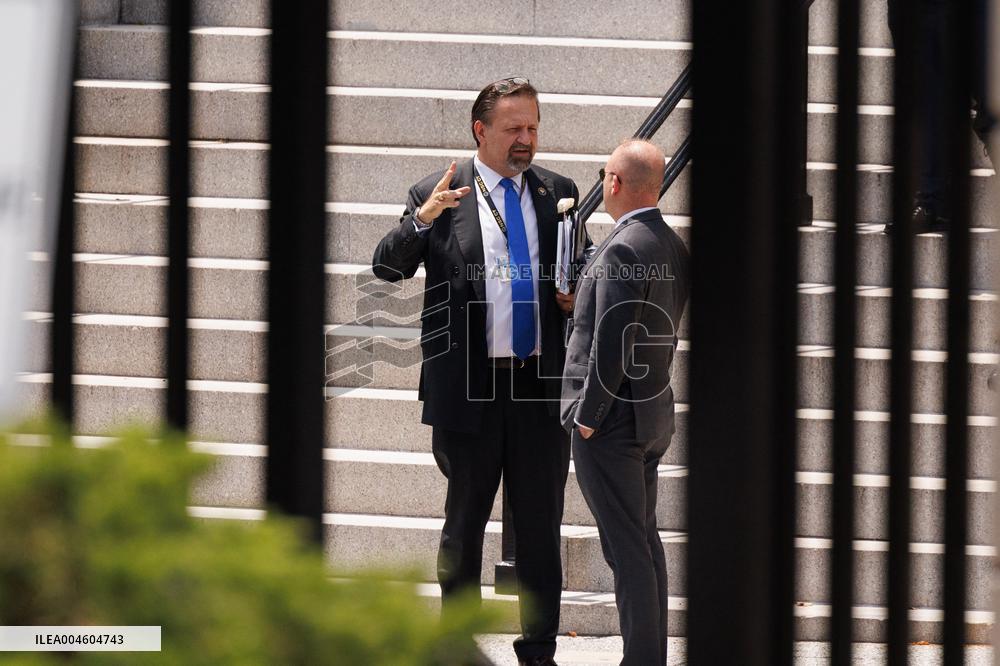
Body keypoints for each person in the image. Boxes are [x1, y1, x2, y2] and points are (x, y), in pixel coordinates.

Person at [372, 77, 590, 666]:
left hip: (537, 387)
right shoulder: (439, 192)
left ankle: (538, 650)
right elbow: (387, 269)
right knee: (463, 526)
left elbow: (579, 274)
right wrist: (420, 220)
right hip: (469, 387)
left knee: (542, 527)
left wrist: (575, 295)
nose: (527, 140)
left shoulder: (558, 194)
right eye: (514, 128)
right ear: (480, 130)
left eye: (533, 127)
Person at [560, 140, 690, 665]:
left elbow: (613, 342)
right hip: (651, 413)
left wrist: (587, 418)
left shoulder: (621, 247)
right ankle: (649, 656)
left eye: (603, 174)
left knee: (627, 547)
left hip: (611, 421)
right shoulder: (670, 244)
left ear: (613, 183)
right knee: (641, 541)